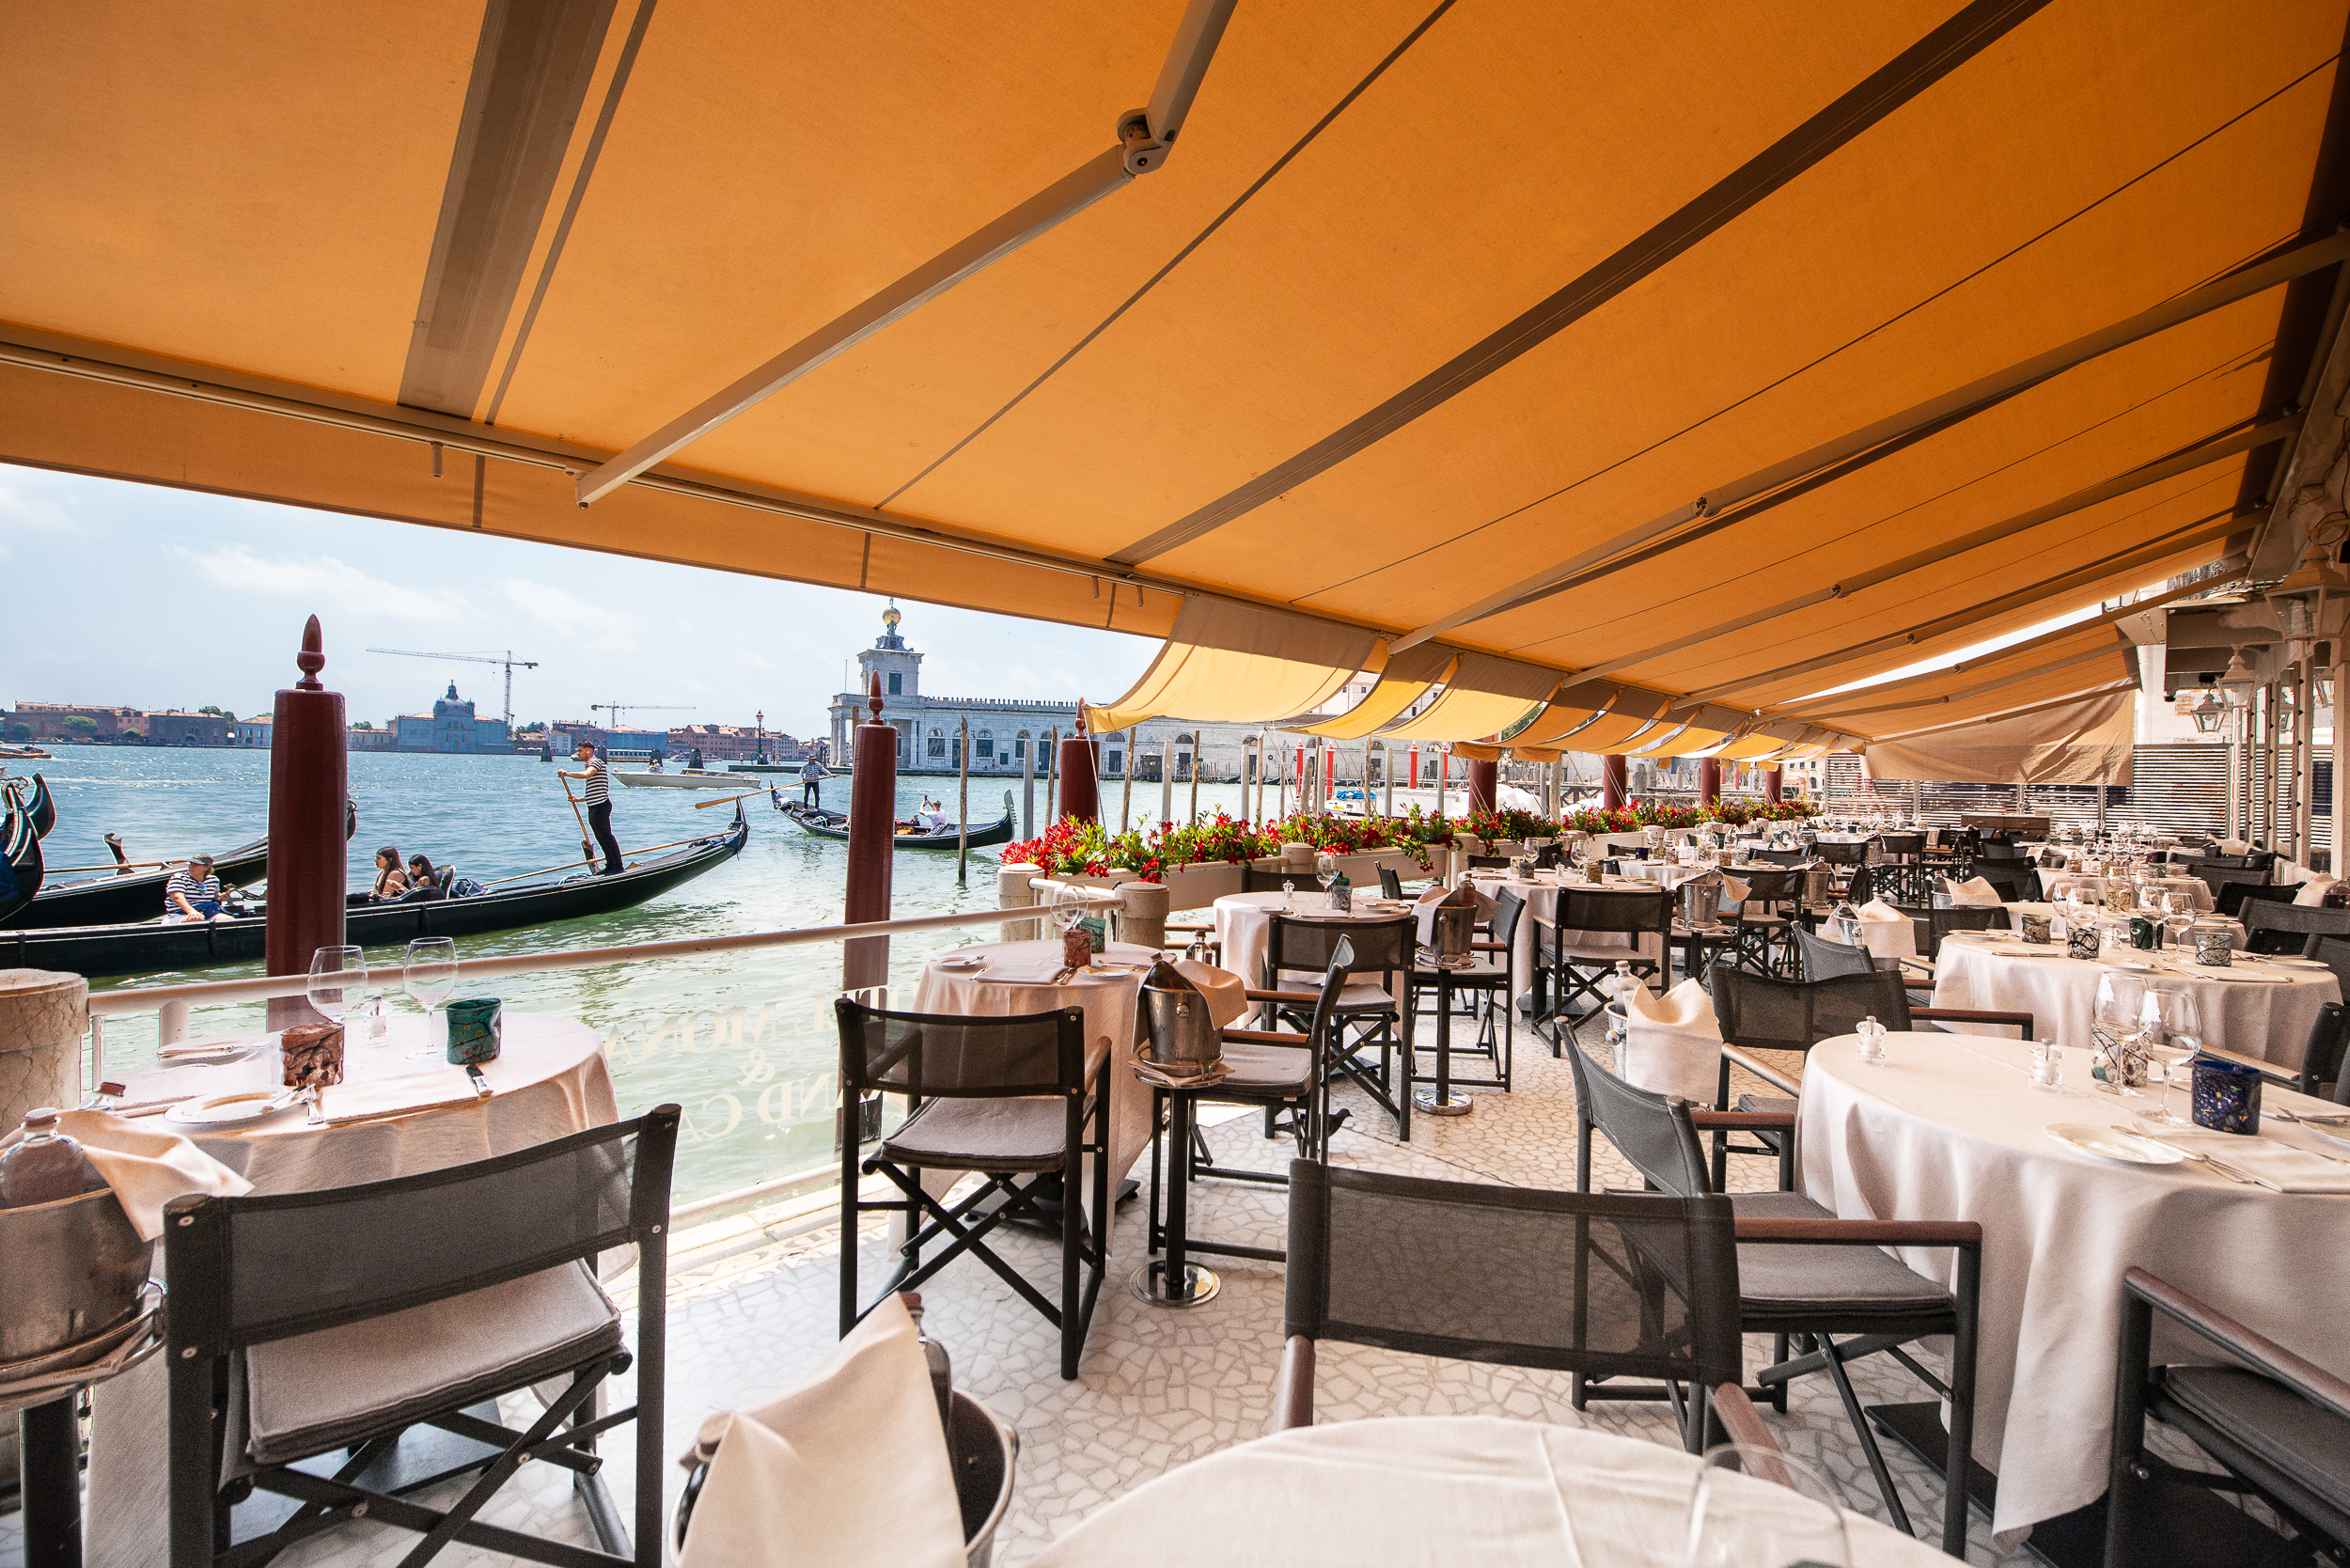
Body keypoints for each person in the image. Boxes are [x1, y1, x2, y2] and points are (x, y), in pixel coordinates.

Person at [560, 739, 625, 875]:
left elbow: (586, 775)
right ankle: (610, 865)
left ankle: (618, 866)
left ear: (588, 751)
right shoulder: (589, 764)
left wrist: (566, 773)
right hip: (594, 806)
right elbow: (596, 790)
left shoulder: (596, 762)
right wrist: (579, 799)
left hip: (601, 806)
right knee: (600, 837)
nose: (578, 753)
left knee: (606, 836)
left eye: (580, 751)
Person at [164, 854, 223, 922]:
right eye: (191, 864)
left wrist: (222, 896)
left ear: (207, 867)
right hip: (179, 914)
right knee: (197, 920)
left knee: (227, 920)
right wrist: (192, 911)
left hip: (206, 912)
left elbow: (216, 896)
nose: (191, 867)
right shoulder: (179, 878)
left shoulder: (213, 880)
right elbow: (177, 897)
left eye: (196, 865)